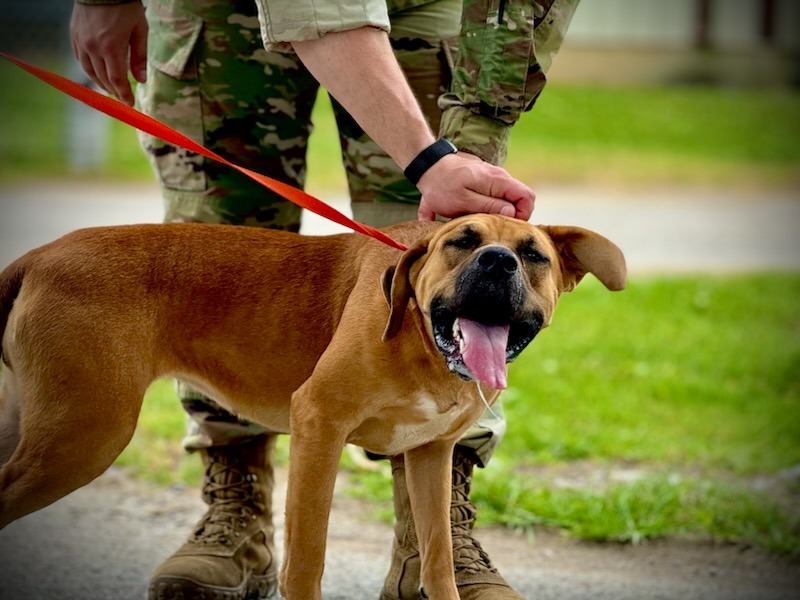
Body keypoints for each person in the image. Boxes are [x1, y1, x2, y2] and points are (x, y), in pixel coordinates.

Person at [70, 0, 580, 598]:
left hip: (433, 17)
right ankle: (236, 505)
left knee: (459, 228)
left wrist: (474, 122)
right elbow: (319, 8)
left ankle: (434, 552)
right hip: (220, 13)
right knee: (221, 236)